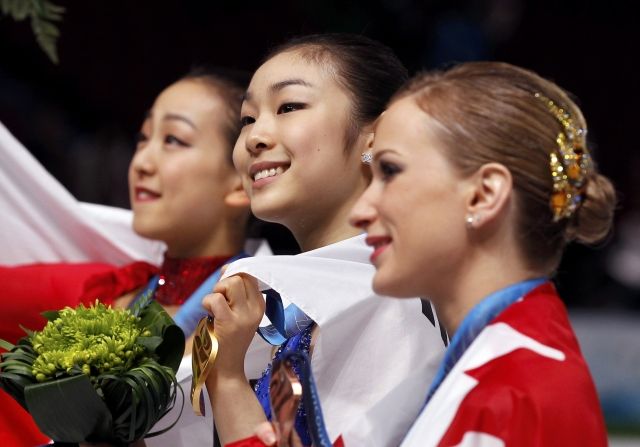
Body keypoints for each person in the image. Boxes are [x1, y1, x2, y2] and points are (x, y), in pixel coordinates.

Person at [199, 34, 446, 447]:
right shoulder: (283, 312)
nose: (254, 137)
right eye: (247, 119)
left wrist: (225, 378)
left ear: (376, 137)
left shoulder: (388, 303)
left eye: (289, 107)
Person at [348, 61, 613, 446]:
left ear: (484, 195)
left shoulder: (513, 393)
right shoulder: (496, 370)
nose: (360, 211)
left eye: (390, 171)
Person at [0, 69, 259, 447]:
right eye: (142, 138)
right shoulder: (106, 292)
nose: (142, 162)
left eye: (173, 139)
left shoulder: (269, 323)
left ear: (240, 181)